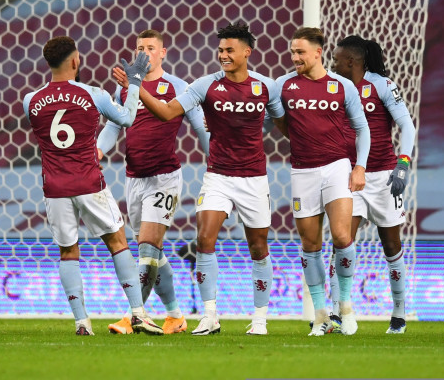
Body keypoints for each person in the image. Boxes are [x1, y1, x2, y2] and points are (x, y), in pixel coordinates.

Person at [133, 22, 285, 336]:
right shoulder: (205, 85)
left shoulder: (266, 87)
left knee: (258, 247)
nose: (223, 55)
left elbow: (284, 125)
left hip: (254, 179)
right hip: (217, 176)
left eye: (230, 50)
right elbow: (166, 112)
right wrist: (137, 87)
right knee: (204, 240)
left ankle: (259, 320)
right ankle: (210, 316)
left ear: (247, 52)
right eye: (220, 50)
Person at [22, 36, 164, 336]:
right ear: (75, 61)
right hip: (88, 182)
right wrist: (135, 82)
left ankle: (81, 322)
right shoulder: (94, 94)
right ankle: (138, 314)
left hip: (54, 187)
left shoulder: (30, 100)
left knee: (68, 251)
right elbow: (126, 118)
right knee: (117, 243)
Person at [97, 29, 210, 335]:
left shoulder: (177, 86)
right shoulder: (125, 89)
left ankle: (136, 315)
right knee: (153, 253)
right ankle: (175, 316)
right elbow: (112, 126)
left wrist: (217, 161)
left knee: (147, 247)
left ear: (163, 53)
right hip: (134, 178)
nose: (143, 53)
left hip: (165, 178)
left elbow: (201, 127)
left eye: (150, 48)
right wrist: (96, 150)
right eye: (139, 48)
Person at [273, 27, 370, 336]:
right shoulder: (284, 86)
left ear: (317, 53)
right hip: (302, 172)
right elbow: (262, 119)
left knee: (342, 237)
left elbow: (362, 129)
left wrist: (360, 167)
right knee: (310, 245)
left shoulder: (342, 86)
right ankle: (320, 316)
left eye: (301, 52)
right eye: (292, 52)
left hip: (337, 167)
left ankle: (345, 306)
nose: (295, 57)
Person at [331, 35, 415, 334]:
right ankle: (337, 312)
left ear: (352, 61)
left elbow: (406, 124)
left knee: (391, 247)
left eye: (338, 58)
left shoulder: (381, 84)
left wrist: (403, 164)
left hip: (382, 177)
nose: (333, 62)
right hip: (349, 176)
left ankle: (399, 313)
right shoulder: (335, 87)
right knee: (342, 243)